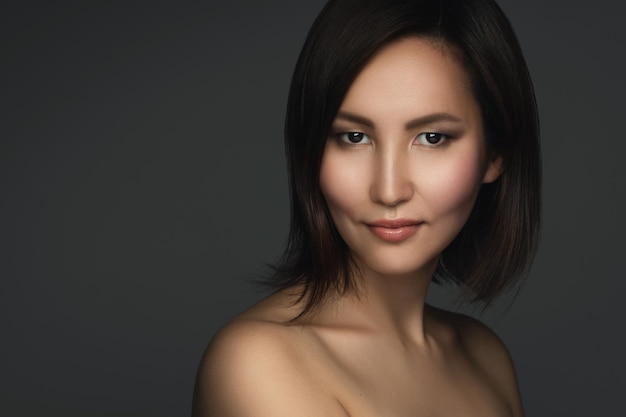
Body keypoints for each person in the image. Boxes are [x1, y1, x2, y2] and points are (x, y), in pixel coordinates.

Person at [193, 0, 540, 415]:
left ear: (494, 153)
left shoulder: (485, 357)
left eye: (431, 138)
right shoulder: (259, 363)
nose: (389, 190)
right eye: (354, 137)